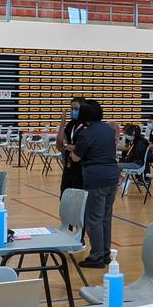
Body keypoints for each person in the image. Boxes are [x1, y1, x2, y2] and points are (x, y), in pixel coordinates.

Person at [69, 99, 119, 268]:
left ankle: (96, 256)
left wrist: (72, 150)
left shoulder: (86, 133)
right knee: (105, 218)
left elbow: (76, 158)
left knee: (94, 219)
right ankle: (105, 253)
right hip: (112, 177)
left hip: (96, 178)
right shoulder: (107, 129)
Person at [56, 97, 85, 195]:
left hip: (81, 169)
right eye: (71, 109)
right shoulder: (70, 125)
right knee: (64, 196)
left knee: (78, 198)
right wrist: (62, 123)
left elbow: (84, 148)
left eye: (76, 109)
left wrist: (72, 147)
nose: (73, 111)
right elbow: (59, 145)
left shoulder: (86, 126)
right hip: (68, 167)